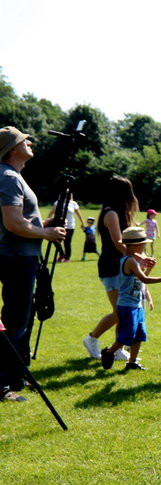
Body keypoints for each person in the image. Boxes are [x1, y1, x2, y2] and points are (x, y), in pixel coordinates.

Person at [0, 126, 66, 402]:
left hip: (20, 255)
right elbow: (12, 222)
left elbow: (19, 220)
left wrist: (43, 225)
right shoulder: (8, 177)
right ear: (13, 149)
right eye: (24, 140)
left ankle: (14, 377)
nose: (30, 142)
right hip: (16, 257)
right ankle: (2, 385)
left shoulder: (12, 176)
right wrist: (45, 233)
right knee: (14, 321)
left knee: (20, 319)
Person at [82, 176, 139, 363]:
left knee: (123, 310)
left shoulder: (120, 212)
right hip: (111, 266)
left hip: (122, 266)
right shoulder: (111, 213)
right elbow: (119, 243)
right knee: (120, 312)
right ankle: (92, 338)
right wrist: (139, 258)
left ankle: (118, 348)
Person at [99, 227, 161, 371]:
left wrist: (149, 268)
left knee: (139, 334)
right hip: (126, 305)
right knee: (127, 335)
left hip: (136, 304)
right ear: (137, 245)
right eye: (144, 243)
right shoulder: (129, 261)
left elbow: (140, 280)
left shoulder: (133, 261)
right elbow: (144, 279)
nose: (145, 246)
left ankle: (132, 362)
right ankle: (109, 352)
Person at [47, 192, 84, 262]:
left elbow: (79, 214)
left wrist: (82, 223)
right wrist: (47, 220)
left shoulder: (73, 203)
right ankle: (62, 254)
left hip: (70, 226)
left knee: (67, 242)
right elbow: (52, 212)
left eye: (68, 194)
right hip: (59, 226)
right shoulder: (57, 202)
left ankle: (67, 258)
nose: (66, 195)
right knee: (55, 240)